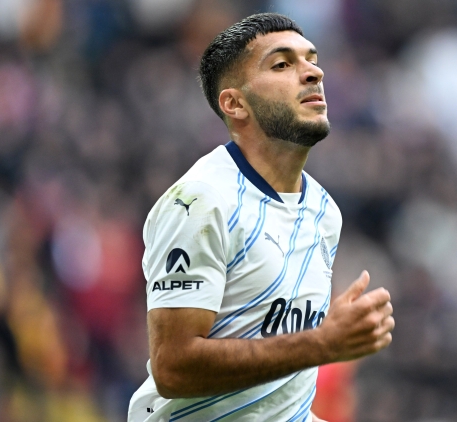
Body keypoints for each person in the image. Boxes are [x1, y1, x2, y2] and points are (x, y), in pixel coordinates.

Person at [127, 13, 394, 422]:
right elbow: (173, 368)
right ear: (234, 104)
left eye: (312, 59)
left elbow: (280, 401)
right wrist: (323, 343)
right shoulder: (200, 202)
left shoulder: (324, 212)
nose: (314, 73)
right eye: (282, 64)